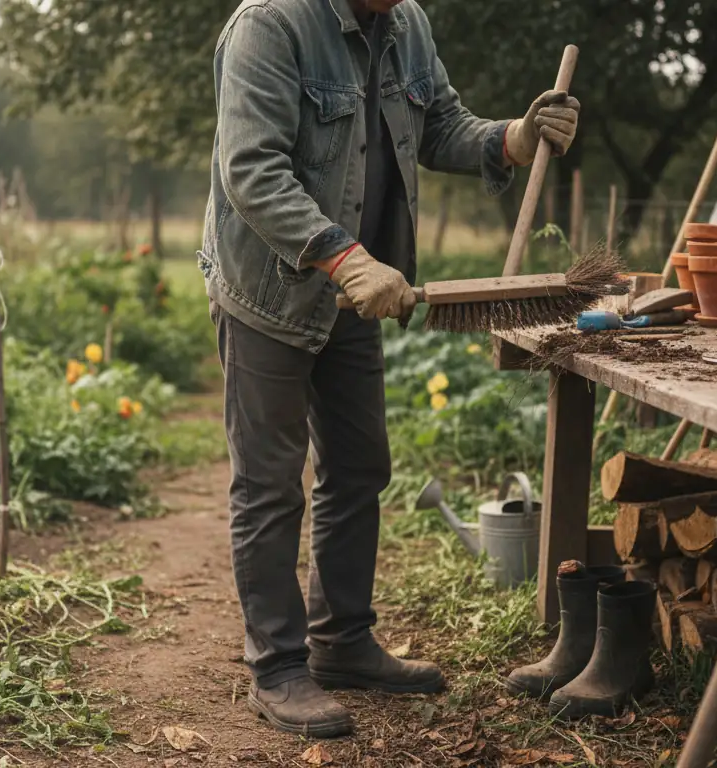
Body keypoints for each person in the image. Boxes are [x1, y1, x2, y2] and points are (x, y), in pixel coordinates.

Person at [197, 0, 580, 737]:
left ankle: (341, 641)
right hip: (274, 289)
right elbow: (250, 169)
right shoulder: (270, 27)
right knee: (271, 484)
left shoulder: (406, 24)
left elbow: (440, 124)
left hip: (361, 291)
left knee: (359, 466)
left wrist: (515, 138)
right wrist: (344, 255)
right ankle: (278, 668)